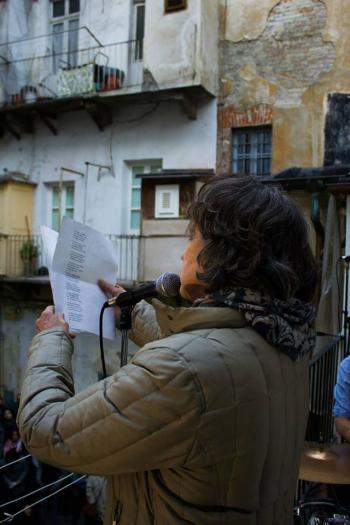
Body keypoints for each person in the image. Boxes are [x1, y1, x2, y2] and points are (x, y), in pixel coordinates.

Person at [17, 176, 317, 525]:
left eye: (193, 238)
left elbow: (46, 429)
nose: (184, 251)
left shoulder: (184, 369)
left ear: (222, 254)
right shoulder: (281, 337)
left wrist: (52, 340)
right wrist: (129, 309)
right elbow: (212, 346)